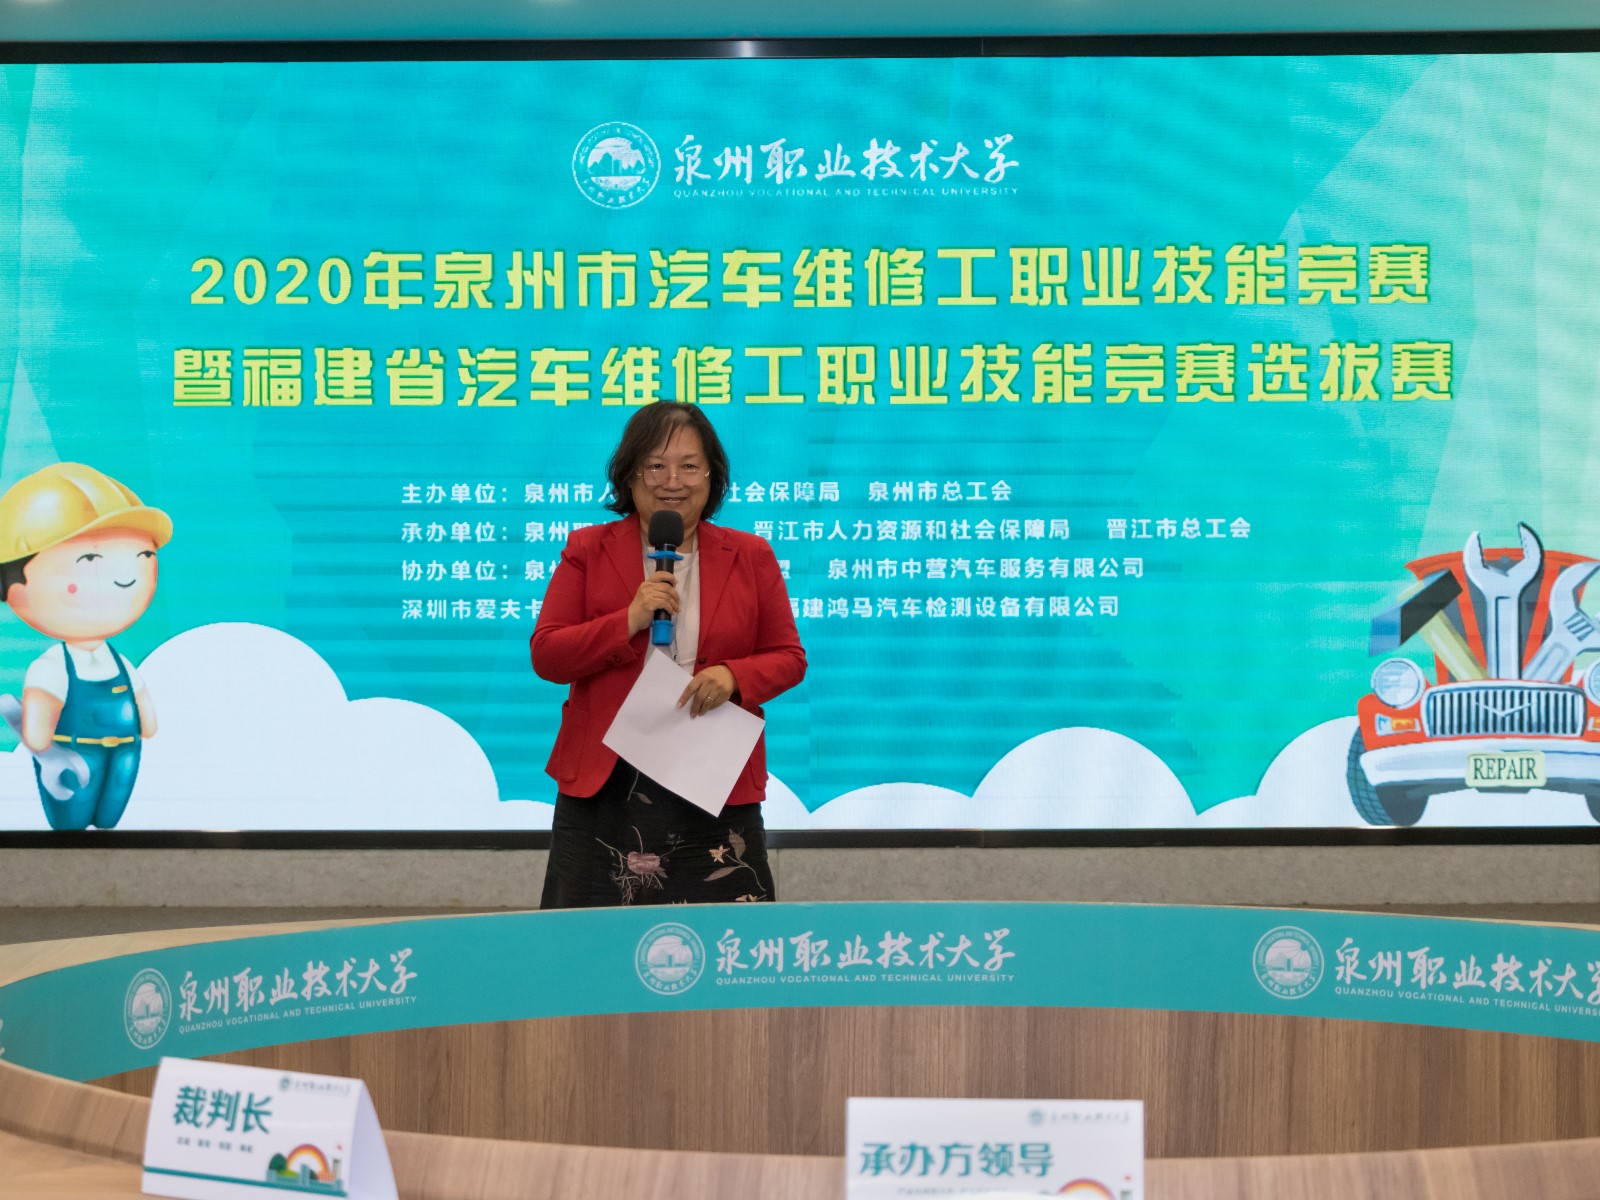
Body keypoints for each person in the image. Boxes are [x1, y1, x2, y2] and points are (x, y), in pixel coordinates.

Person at [531, 402, 805, 906]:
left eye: (689, 466)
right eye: (655, 466)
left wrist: (733, 675)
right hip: (607, 782)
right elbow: (548, 654)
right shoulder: (588, 549)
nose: (672, 481)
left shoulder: (750, 555)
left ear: (712, 476)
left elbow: (788, 657)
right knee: (587, 941)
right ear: (629, 476)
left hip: (712, 777)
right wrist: (629, 619)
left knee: (728, 941)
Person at [0, 463, 171, 830]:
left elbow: (144, 708)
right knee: (71, 827)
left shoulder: (119, 662)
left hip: (126, 751)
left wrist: (147, 723)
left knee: (110, 820)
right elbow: (38, 728)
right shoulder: (51, 667)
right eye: (89, 561)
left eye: (142, 559)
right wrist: (44, 747)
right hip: (74, 752)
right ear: (13, 585)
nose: (126, 578)